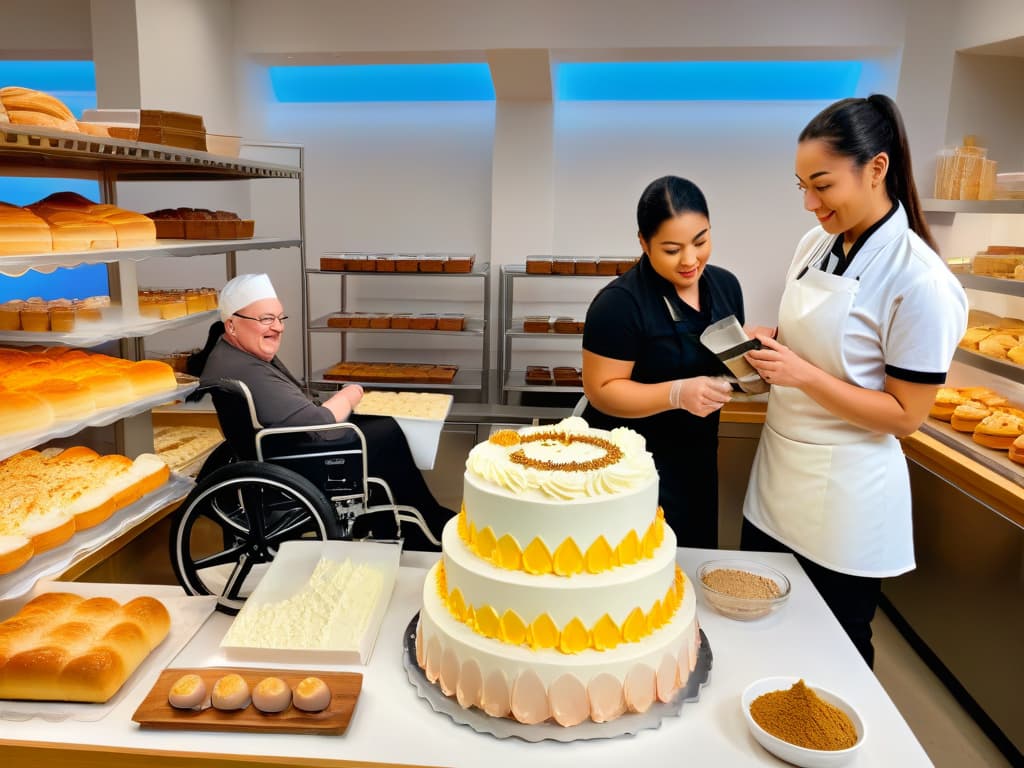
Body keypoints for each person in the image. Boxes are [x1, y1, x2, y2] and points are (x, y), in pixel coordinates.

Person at [741, 95, 968, 667]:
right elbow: (822, 350)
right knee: (760, 630)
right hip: (777, 477)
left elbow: (905, 415)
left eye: (822, 185)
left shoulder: (920, 281)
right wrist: (774, 350)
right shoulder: (813, 246)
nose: (810, 204)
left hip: (845, 497)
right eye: (801, 186)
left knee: (833, 650)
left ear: (876, 168)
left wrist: (802, 373)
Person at [194, 272, 454, 550]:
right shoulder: (244, 367)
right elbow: (319, 424)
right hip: (297, 457)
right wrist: (348, 395)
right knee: (385, 434)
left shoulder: (235, 355)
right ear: (232, 325)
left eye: (280, 318)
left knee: (380, 425)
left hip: (284, 446)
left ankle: (406, 518)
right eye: (266, 319)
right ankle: (421, 524)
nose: (278, 327)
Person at [581, 175, 742, 548]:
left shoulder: (726, 287)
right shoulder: (619, 304)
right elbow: (602, 390)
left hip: (697, 460)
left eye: (701, 241)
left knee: (688, 567)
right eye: (672, 249)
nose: (690, 260)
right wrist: (676, 394)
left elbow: (718, 356)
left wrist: (750, 358)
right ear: (643, 243)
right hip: (627, 468)